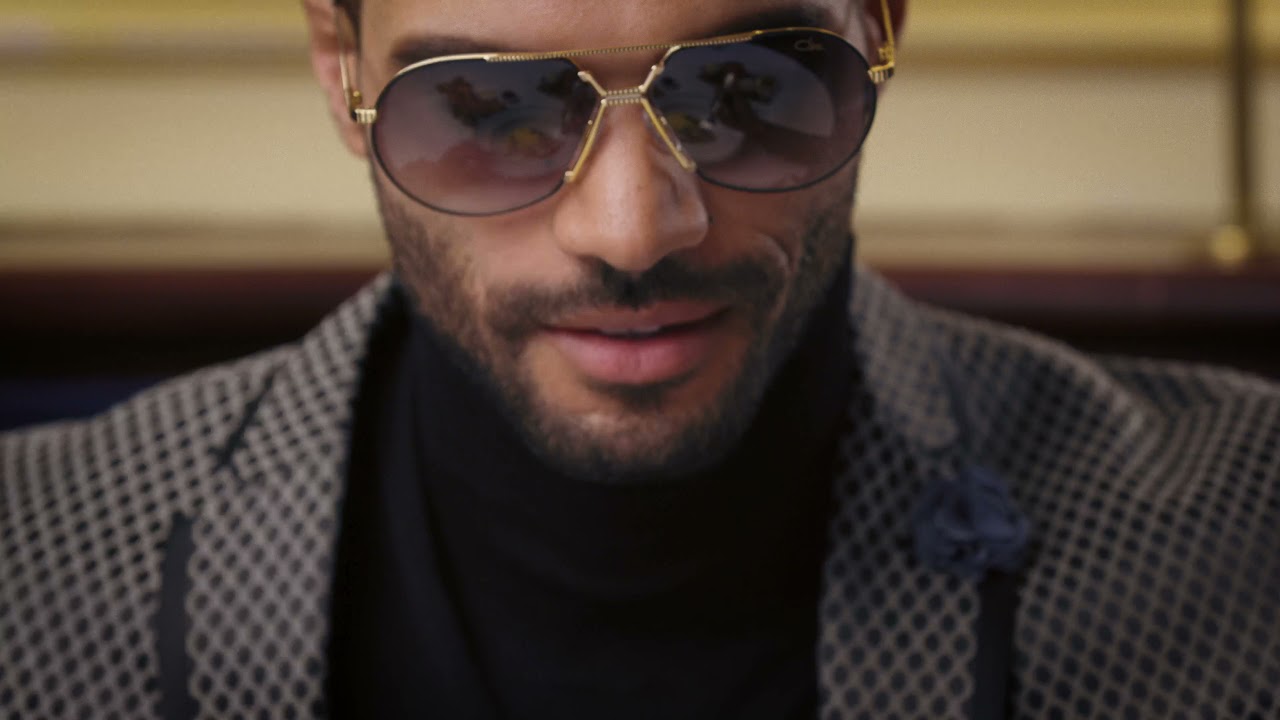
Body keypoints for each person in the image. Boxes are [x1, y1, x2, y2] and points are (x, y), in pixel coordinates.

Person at [2, 0, 1277, 717]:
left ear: (882, 24)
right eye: (490, 107)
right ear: (340, 72)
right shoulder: (33, 571)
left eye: (745, 89)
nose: (629, 230)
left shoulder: (1239, 541)